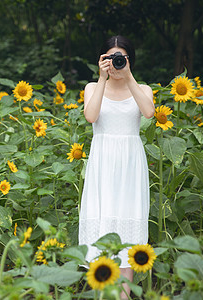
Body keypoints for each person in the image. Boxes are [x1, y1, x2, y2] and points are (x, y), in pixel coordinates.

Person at [78, 35, 155, 298]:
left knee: (127, 235)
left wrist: (129, 76)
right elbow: (91, 116)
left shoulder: (142, 89)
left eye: (120, 58)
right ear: (102, 60)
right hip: (103, 164)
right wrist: (102, 78)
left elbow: (148, 113)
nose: (116, 63)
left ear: (130, 60)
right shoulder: (92, 87)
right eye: (110, 58)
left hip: (130, 167)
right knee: (102, 228)